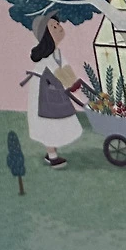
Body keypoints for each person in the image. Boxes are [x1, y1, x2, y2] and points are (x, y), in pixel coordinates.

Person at [22, 12, 82, 168]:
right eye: (54, 27)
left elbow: (65, 67)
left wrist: (74, 81)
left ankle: (53, 151)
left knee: (58, 116)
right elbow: (57, 71)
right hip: (44, 92)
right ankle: (52, 156)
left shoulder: (57, 52)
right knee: (48, 121)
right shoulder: (47, 57)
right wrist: (70, 84)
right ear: (46, 36)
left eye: (58, 24)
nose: (59, 28)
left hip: (55, 88)